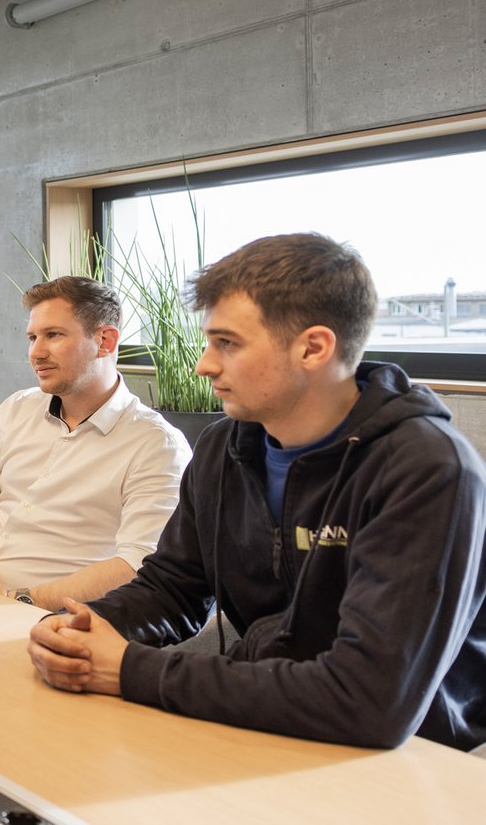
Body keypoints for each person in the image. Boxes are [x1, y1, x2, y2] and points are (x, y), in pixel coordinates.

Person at [28, 233, 486, 751]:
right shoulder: (226, 447)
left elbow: (368, 700)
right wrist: (79, 629)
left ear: (313, 347)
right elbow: (173, 587)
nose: (204, 364)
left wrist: (132, 670)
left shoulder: (426, 470)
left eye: (228, 343)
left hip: (410, 755)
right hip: (257, 713)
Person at [0, 276, 190, 611]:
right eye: (32, 337)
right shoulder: (18, 407)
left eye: (53, 335)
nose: (36, 353)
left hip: (59, 616)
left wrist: (22, 600)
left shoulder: (157, 445)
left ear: (105, 340)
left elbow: (137, 564)